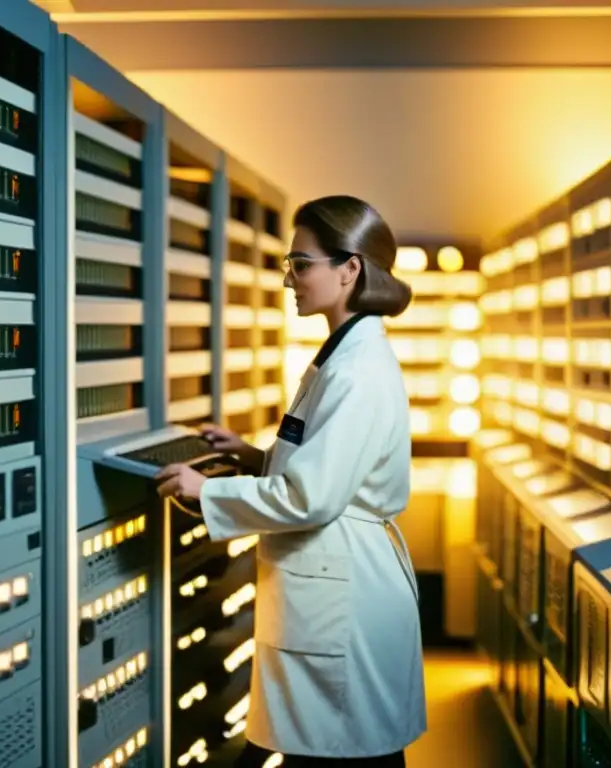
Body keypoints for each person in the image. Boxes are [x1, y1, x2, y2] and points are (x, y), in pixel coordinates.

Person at [155, 195, 426, 766]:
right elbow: (324, 464)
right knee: (336, 748)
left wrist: (207, 491)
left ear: (349, 269)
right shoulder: (342, 356)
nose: (288, 279)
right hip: (336, 578)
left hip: (344, 594)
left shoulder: (357, 370)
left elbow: (312, 495)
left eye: (301, 264)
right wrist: (254, 458)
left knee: (346, 752)